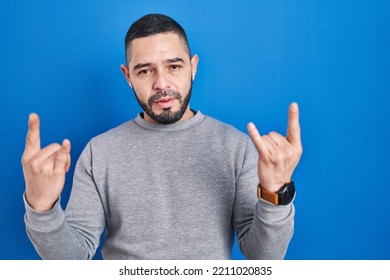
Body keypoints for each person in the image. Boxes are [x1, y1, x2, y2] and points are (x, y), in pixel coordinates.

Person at [22, 14, 302, 260]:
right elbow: (72, 259)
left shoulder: (235, 147)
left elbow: (264, 258)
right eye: (145, 71)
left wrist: (275, 194)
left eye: (174, 66)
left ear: (193, 67)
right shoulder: (100, 152)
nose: (162, 84)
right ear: (127, 76)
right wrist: (42, 209)